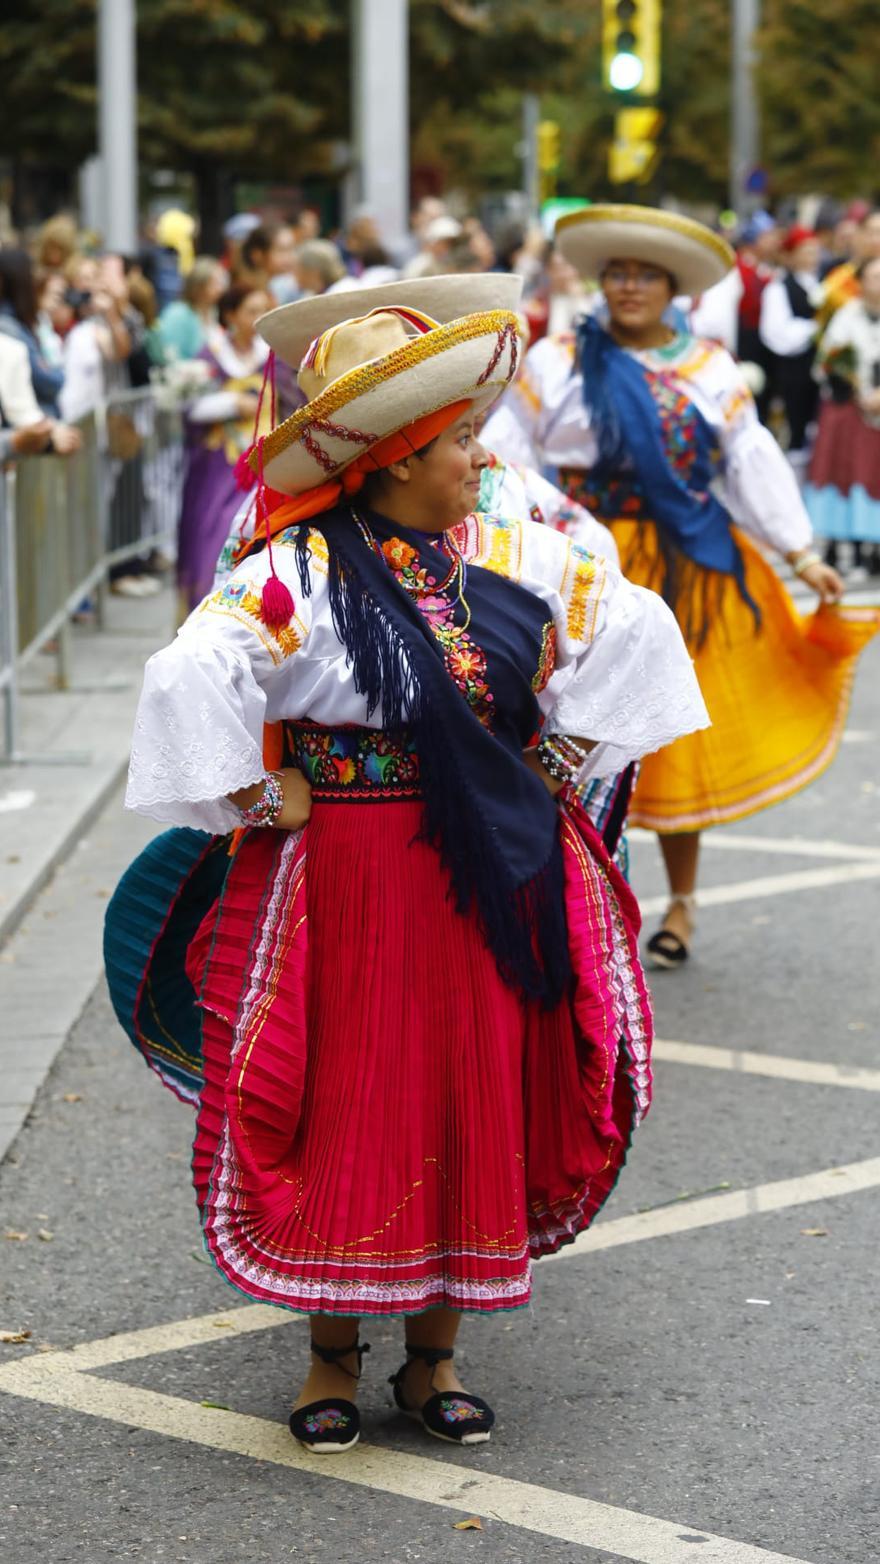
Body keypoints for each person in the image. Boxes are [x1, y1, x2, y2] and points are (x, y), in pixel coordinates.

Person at [106, 276, 707, 1455]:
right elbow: (195, 669)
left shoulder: (522, 553)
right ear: (387, 461)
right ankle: (332, 1352)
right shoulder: (304, 570)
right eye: (457, 444)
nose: (481, 462)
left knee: (465, 1085)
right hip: (352, 874)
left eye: (478, 439)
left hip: (491, 873)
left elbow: (634, 629)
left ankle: (435, 1357)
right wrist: (251, 793)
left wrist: (563, 756)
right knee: (347, 1091)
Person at [484, 203, 880, 969]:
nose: (629, 286)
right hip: (577, 562)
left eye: (646, 275)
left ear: (672, 289)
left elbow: (748, 457)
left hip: (685, 572)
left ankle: (682, 906)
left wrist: (800, 553)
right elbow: (508, 456)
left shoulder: (708, 368)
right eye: (617, 273)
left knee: (665, 740)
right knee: (558, 730)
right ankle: (566, 898)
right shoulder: (555, 361)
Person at [176, 283, 272, 611]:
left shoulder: (273, 356)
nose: (258, 319)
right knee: (212, 536)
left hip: (264, 462)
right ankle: (206, 614)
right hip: (218, 466)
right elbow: (190, 407)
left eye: (264, 310)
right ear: (230, 315)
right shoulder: (210, 356)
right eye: (251, 311)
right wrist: (234, 403)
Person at [805, 255, 880, 575]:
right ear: (861, 283)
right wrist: (855, 391)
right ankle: (838, 545)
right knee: (844, 473)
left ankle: (874, 548)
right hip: (850, 409)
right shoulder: (844, 317)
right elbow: (828, 363)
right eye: (874, 277)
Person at [759, 225, 822, 467]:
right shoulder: (779, 287)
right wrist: (814, 328)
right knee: (792, 432)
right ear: (791, 255)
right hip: (791, 372)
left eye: (815, 252)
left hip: (814, 373)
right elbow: (776, 335)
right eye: (806, 252)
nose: (812, 258)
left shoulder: (820, 283)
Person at [0, 248, 66, 416]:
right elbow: (48, 381)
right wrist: (57, 372)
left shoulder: (21, 323)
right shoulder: (9, 327)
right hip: (32, 423)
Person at [155, 256, 227, 363]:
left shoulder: (212, 311)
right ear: (198, 286)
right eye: (215, 283)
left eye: (221, 283)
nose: (220, 289)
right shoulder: (178, 313)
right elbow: (168, 355)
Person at [240, 221, 300, 304]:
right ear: (257, 255)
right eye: (282, 250)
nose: (291, 257)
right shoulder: (245, 297)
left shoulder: (295, 288)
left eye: (293, 249)